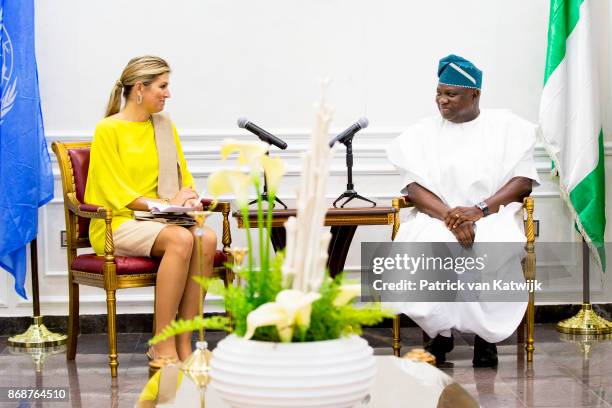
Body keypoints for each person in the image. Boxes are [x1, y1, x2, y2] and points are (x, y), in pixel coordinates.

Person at [386, 54, 539, 367]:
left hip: (491, 214)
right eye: (439, 93)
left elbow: (523, 182)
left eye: (451, 94)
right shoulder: (422, 133)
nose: (442, 101)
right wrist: (450, 217)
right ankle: (438, 333)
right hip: (437, 216)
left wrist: (479, 211)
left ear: (475, 94)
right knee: (424, 245)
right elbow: (413, 188)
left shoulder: (507, 127)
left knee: (491, 244)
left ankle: (486, 339)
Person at [85, 56, 218, 368]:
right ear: (140, 89)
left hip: (160, 219)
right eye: (163, 86)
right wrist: (165, 205)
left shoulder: (164, 125)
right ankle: (162, 344)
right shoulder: (108, 130)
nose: (168, 94)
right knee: (181, 240)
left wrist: (186, 200)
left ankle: (186, 343)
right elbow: (118, 193)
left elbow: (183, 177)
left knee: (206, 238)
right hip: (117, 222)